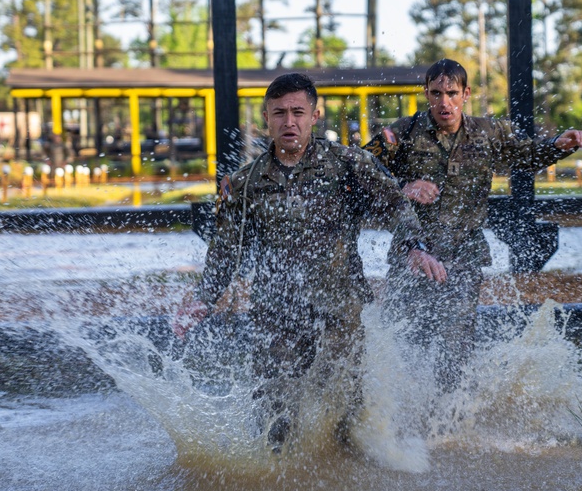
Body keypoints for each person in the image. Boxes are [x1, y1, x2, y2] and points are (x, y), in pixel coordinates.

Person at [177, 72, 445, 452]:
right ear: (266, 118)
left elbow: (395, 206)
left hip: (339, 312)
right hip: (276, 318)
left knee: (346, 420)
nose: (290, 122)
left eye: (298, 112)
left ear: (315, 116)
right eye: (280, 113)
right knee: (275, 421)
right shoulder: (243, 184)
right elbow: (225, 251)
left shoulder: (349, 164)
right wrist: (204, 298)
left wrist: (415, 246)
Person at [364, 58, 582, 391]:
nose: (444, 102)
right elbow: (361, 175)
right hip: (411, 254)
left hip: (463, 256)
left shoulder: (488, 133)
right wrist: (403, 188)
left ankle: (450, 421)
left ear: (465, 93)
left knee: (456, 342)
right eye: (437, 93)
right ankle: (400, 415)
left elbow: (525, 156)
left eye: (452, 93)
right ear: (426, 93)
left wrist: (557, 147)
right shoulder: (404, 132)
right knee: (401, 337)